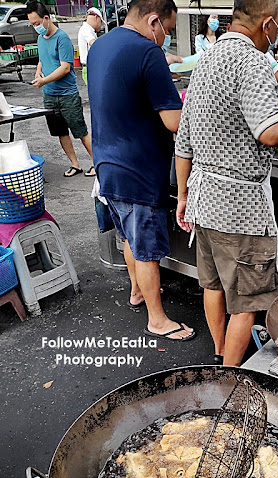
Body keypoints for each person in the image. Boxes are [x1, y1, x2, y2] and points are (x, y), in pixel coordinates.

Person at [175, 0, 278, 366]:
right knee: (247, 303)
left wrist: (183, 195)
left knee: (214, 285)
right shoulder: (251, 62)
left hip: (204, 198)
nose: (277, 32)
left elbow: (184, 140)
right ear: (267, 23)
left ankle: (220, 353)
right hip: (240, 209)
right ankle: (229, 376)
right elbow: (270, 131)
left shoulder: (206, 57)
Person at [87, 0, 195, 342]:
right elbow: (174, 121)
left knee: (129, 238)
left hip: (107, 163)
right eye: (168, 29)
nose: (166, 37)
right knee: (147, 248)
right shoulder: (148, 53)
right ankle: (158, 319)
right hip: (138, 170)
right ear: (153, 21)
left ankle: (136, 291)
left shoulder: (100, 45)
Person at [27, 1, 95, 177]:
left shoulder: (62, 38)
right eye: (32, 24)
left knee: (80, 131)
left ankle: (97, 164)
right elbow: (42, 59)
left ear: (46, 18)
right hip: (49, 95)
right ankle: (75, 164)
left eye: (37, 23)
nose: (35, 27)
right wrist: (38, 72)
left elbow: (65, 67)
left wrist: (44, 81)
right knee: (61, 132)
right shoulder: (41, 39)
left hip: (67, 95)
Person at [78, 7, 103, 85]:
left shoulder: (90, 30)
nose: (101, 25)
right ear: (96, 17)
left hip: (92, 66)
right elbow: (94, 43)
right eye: (101, 22)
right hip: (89, 68)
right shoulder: (85, 29)